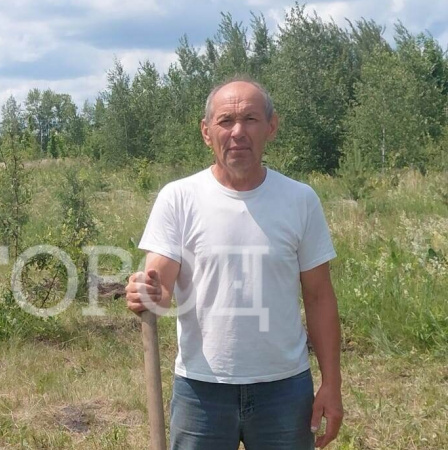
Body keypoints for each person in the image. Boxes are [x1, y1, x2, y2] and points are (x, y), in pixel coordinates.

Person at [126, 78, 343, 449]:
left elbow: (320, 297)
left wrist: (332, 385)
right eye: (226, 121)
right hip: (201, 391)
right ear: (207, 132)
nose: (238, 132)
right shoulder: (179, 198)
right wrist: (144, 292)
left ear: (271, 127)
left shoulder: (300, 200)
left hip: (285, 389)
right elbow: (159, 289)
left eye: (251, 119)